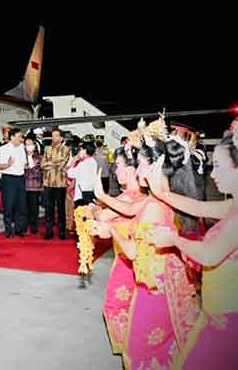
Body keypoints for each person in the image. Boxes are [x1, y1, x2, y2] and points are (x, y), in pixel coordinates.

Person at [146, 106, 238, 369]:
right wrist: (163, 191)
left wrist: (174, 240)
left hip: (233, 323)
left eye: (219, 166)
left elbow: (211, 254)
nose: (212, 174)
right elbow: (197, 208)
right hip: (220, 314)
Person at [92, 116, 199, 370]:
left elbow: (133, 252)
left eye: (139, 164)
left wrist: (111, 231)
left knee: (141, 354)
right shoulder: (170, 201)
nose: (136, 170)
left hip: (152, 293)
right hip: (162, 289)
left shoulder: (153, 206)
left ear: (157, 165)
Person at [89, 144, 146, 356]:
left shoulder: (131, 197)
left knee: (117, 307)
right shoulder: (135, 195)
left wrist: (98, 202)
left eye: (119, 166)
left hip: (128, 263)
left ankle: (131, 352)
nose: (115, 171)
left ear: (132, 169)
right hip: (128, 259)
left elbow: (104, 217)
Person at [0, 127, 28, 238]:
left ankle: (19, 229)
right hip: (9, 179)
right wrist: (8, 164)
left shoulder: (22, 148)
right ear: (12, 137)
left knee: (21, 204)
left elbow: (24, 163)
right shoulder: (3, 149)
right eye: (19, 137)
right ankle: (8, 229)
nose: (21, 139)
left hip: (20, 178)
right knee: (9, 204)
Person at [41, 128, 70, 239]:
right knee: (49, 208)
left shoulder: (66, 149)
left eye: (56, 136)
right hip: (48, 183)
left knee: (61, 209)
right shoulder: (47, 149)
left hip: (60, 183)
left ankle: (62, 231)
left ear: (61, 138)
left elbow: (63, 163)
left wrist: (50, 163)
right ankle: (49, 231)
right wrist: (54, 162)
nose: (53, 138)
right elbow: (42, 165)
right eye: (52, 136)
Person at [67, 140, 97, 207]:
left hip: (82, 195)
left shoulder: (83, 164)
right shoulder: (94, 162)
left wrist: (74, 162)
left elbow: (70, 174)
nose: (79, 152)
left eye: (80, 150)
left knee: (81, 214)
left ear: (84, 150)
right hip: (92, 192)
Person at [23, 132, 43, 235]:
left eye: (30, 144)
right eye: (26, 144)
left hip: (34, 186)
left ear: (34, 145)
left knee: (34, 208)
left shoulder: (38, 157)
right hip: (23, 186)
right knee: (24, 208)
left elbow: (34, 169)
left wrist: (29, 159)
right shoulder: (22, 156)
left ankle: (34, 227)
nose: (28, 146)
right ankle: (24, 226)